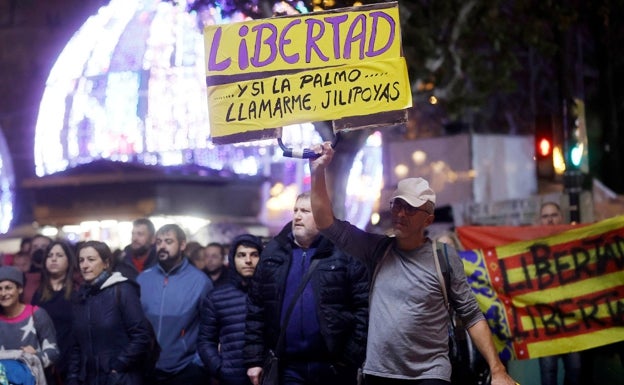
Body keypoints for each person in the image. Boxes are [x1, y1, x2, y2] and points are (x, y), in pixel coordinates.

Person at [309, 142, 516, 385]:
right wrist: (318, 171)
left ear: (428, 219)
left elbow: (471, 315)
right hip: (379, 374)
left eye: (410, 208)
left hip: (429, 375)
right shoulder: (377, 250)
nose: (400, 213)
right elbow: (325, 222)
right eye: (397, 204)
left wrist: (498, 369)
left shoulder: (444, 258)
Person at [244, 192, 369, 385]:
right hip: (288, 366)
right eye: (295, 210)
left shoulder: (344, 253)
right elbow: (256, 309)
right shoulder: (274, 252)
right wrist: (254, 359)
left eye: (305, 211)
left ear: (323, 215)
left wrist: (350, 357)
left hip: (334, 367)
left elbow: (364, 308)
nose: (297, 216)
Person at [66, 240, 155, 385]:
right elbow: (77, 344)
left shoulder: (122, 290)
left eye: (91, 260)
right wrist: (73, 377)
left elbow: (141, 335)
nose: (84, 265)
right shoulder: (81, 296)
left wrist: (118, 367)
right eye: (81, 260)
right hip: (90, 379)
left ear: (106, 263)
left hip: (121, 379)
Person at [137, 224, 213, 385]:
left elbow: (211, 327)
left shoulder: (200, 281)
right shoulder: (143, 279)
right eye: (158, 242)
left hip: (186, 370)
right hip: (148, 369)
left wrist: (199, 362)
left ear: (182, 245)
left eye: (168, 241)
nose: (162, 246)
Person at [199, 234, 264, 385]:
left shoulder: (272, 293)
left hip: (267, 375)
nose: (248, 260)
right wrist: (219, 369)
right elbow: (205, 341)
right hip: (232, 377)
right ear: (232, 260)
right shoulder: (216, 297)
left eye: (254, 255)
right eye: (241, 255)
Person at [537, 202, 581, 385]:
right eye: (545, 216)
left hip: (572, 321)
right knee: (548, 375)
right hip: (546, 323)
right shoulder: (531, 247)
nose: (550, 219)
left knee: (576, 372)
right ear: (540, 220)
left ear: (561, 217)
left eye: (553, 214)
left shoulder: (573, 242)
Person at [32, 241, 82, 385]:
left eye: (59, 255)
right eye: (50, 256)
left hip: (72, 360)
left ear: (69, 260)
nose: (53, 259)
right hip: (45, 361)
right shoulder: (39, 293)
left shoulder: (78, 292)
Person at [0, 265, 60, 385]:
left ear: (20, 289)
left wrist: (34, 357)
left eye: (8, 288)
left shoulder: (36, 314)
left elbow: (54, 352)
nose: (3, 293)